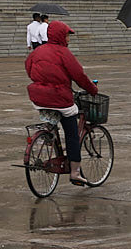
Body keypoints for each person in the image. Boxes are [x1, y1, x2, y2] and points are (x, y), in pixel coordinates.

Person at [26, 20, 99, 185]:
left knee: (52, 118)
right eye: (67, 35)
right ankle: (75, 172)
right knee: (72, 133)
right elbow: (79, 76)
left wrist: (41, 81)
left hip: (37, 96)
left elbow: (29, 68)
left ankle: (48, 135)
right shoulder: (63, 53)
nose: (68, 39)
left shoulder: (37, 52)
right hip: (59, 97)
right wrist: (93, 90)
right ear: (61, 35)